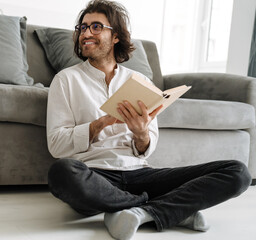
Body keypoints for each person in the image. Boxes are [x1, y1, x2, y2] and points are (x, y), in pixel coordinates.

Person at [46, 0, 252, 239]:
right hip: (95, 175)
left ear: (115, 37)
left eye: (95, 27)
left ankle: (138, 210)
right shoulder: (66, 80)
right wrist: (101, 123)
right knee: (61, 173)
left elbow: (146, 147)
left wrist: (142, 134)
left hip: (141, 173)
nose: (86, 33)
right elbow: (56, 144)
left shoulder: (140, 81)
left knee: (237, 172)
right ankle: (162, 208)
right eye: (82, 28)